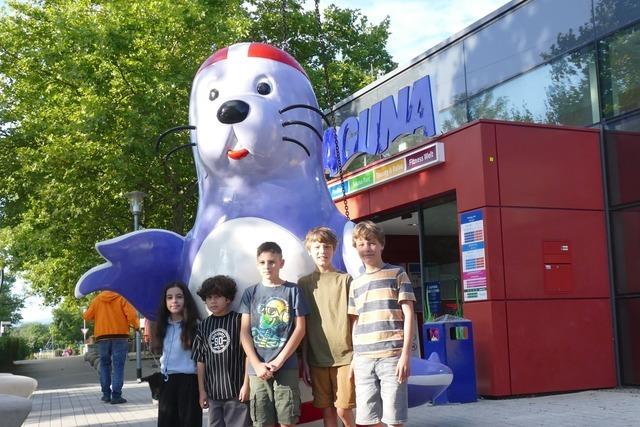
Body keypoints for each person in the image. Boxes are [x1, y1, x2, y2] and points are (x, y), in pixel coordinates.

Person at [348, 220, 416, 427]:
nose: (366, 248)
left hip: (392, 356)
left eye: (371, 242)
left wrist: (405, 355)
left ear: (381, 245)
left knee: (394, 419)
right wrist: (355, 356)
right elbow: (355, 322)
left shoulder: (397, 274)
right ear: (356, 248)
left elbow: (409, 315)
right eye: (361, 244)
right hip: (363, 358)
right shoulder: (355, 283)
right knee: (367, 419)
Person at [239, 241, 309, 427]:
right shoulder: (250, 293)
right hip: (257, 370)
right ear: (257, 264)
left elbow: (300, 329)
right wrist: (256, 364)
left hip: (286, 366)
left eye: (272, 262)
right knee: (262, 421)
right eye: (262, 262)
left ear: (281, 263)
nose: (267, 266)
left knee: (288, 420)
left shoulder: (293, 291)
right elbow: (244, 332)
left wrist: (280, 360)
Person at [298, 227, 356, 427]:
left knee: (344, 409)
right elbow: (304, 325)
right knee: (327, 410)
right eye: (317, 247)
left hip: (345, 357)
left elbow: (355, 320)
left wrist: (356, 355)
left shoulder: (345, 280)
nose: (322, 251)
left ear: (334, 249)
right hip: (317, 359)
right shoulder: (303, 284)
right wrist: (306, 360)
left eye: (327, 246)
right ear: (309, 250)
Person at [193, 275, 251, 427]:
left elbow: (249, 355)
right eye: (209, 297)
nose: (213, 301)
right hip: (213, 394)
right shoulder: (203, 326)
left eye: (218, 296)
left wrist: (247, 385)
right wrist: (202, 391)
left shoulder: (240, 321)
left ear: (228, 299)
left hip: (236, 392)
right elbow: (200, 360)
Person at [153, 282, 202, 427]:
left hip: (189, 382)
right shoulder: (162, 325)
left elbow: (201, 359)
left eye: (179, 296)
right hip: (167, 382)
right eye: (169, 297)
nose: (174, 301)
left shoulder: (195, 325)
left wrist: (202, 389)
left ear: (186, 299)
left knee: (189, 422)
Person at [83, 290, 139, 404]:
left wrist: (96, 314)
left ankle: (106, 395)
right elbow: (132, 315)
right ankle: (116, 396)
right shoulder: (122, 298)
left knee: (104, 365)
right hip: (120, 336)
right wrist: (136, 326)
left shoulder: (97, 300)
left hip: (102, 337)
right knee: (118, 366)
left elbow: (87, 316)